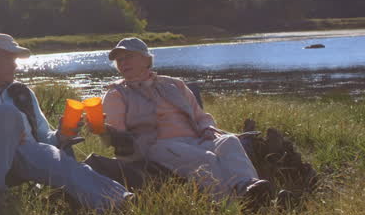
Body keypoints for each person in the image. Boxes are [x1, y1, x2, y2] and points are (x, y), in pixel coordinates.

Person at [0, 33, 133, 213]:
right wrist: (8, 128)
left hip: (24, 154)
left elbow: (44, 136)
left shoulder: (22, 93)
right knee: (8, 114)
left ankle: (118, 201)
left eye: (15, 60)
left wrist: (62, 135)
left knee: (60, 161)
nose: (15, 65)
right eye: (8, 59)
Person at [100, 37, 272, 205]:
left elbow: (201, 117)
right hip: (156, 145)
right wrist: (102, 129)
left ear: (146, 59)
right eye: (119, 60)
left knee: (230, 141)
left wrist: (208, 129)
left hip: (196, 139)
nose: (123, 63)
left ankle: (248, 188)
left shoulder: (174, 84)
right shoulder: (117, 93)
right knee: (206, 159)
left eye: (128, 57)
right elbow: (116, 133)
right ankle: (232, 205)